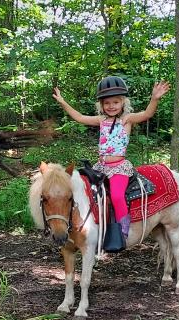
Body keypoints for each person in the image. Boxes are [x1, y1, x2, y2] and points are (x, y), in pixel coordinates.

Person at [53, 76, 170, 244]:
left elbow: (147, 114)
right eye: (107, 103)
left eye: (115, 102)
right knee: (88, 193)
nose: (111, 106)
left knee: (116, 195)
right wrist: (63, 102)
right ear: (101, 105)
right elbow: (79, 117)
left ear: (123, 102)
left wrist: (154, 99)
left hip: (118, 167)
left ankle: (123, 228)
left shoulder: (127, 120)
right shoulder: (102, 120)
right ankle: (92, 225)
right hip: (100, 166)